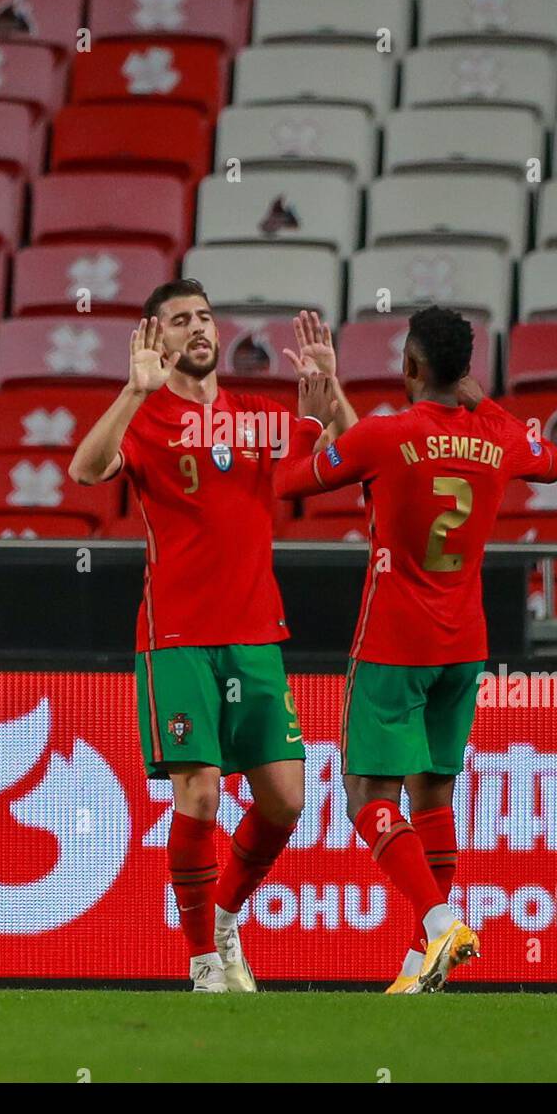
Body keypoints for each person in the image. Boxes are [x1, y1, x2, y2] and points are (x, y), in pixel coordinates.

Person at [69, 280, 356, 992]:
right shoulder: (145, 417)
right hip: (177, 636)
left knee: (286, 798)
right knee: (198, 794)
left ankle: (224, 916)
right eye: (179, 322)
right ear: (155, 340)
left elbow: (351, 454)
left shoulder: (257, 419)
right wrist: (134, 393)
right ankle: (202, 962)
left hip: (256, 633)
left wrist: (333, 392)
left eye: (203, 318)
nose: (198, 329)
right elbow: (85, 469)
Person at [274, 305, 557, 993]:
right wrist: (485, 404)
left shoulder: (385, 436)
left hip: (393, 641)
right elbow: (554, 463)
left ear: (409, 367)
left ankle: (439, 924)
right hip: (464, 643)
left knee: (364, 796)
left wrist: (309, 418)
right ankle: (417, 963)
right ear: (465, 372)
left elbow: (284, 485)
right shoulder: (497, 439)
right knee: (432, 793)